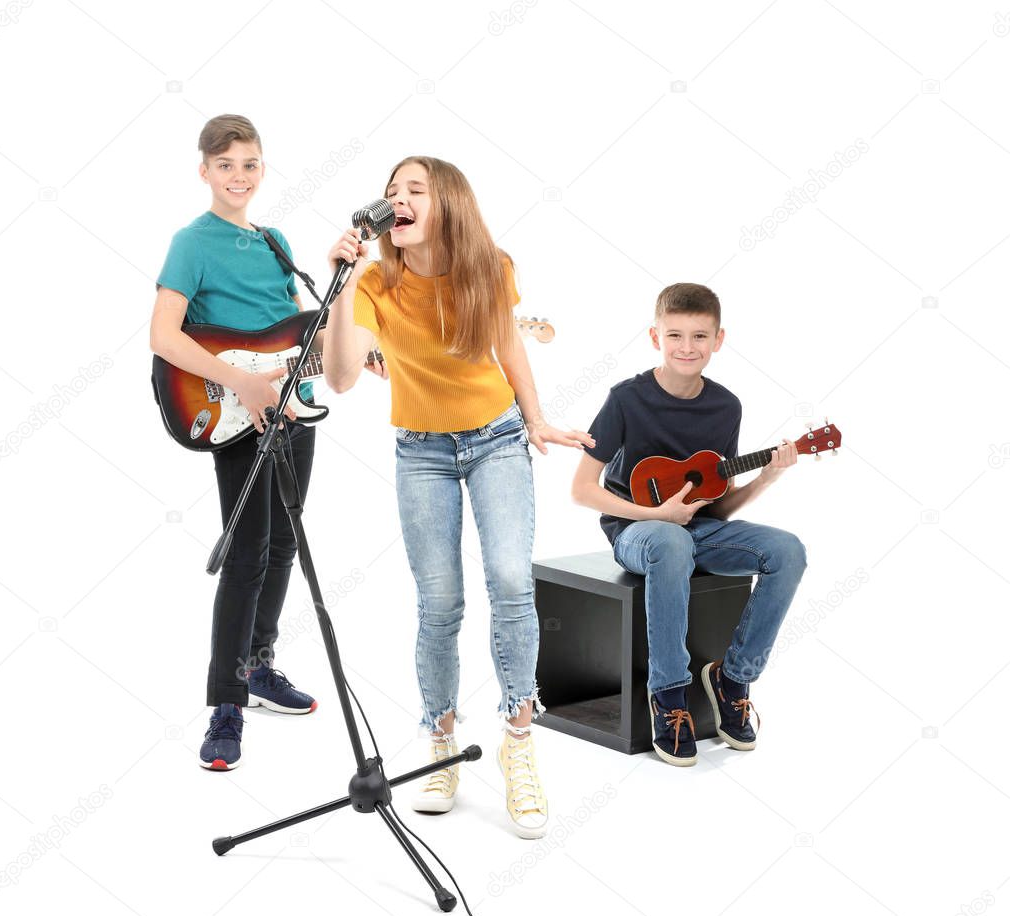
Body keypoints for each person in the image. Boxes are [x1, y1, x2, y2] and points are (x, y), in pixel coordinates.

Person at [322, 156, 594, 838]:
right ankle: (439, 741)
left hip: (496, 440)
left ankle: (518, 740)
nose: (397, 200)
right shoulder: (377, 280)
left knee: (509, 579)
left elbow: (508, 347)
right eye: (390, 193)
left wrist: (534, 419)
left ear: (446, 203)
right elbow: (342, 378)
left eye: (414, 190)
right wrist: (347, 280)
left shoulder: (489, 266)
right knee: (439, 602)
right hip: (422, 452)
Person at [151, 115, 327, 770]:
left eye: (250, 164)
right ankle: (224, 705)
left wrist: (355, 356)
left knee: (284, 541)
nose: (239, 177)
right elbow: (165, 337)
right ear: (204, 171)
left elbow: (293, 334)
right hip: (231, 408)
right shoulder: (191, 242)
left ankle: (258, 668)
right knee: (247, 551)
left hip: (288, 407)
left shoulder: (276, 241)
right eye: (226, 165)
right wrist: (242, 385)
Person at [570, 283, 807, 766]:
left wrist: (767, 477)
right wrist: (659, 515)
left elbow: (714, 505)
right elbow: (582, 490)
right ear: (654, 336)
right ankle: (669, 695)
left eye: (700, 336)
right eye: (675, 335)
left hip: (694, 530)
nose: (687, 347)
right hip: (637, 531)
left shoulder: (726, 407)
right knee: (672, 541)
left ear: (718, 340)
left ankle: (733, 677)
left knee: (788, 550)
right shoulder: (626, 399)